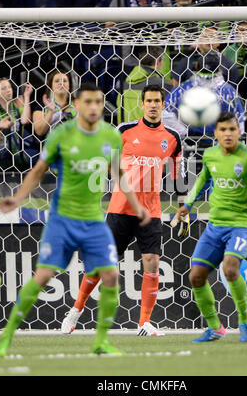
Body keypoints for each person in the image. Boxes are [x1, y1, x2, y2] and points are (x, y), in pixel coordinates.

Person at [0, 82, 150, 357]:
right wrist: (17, 199)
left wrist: (136, 206)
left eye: (99, 102)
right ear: (76, 104)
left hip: (93, 222)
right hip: (62, 220)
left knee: (111, 275)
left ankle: (101, 342)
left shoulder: (111, 137)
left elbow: (118, 174)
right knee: (43, 276)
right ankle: (6, 337)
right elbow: (38, 171)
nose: (93, 107)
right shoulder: (62, 135)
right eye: (88, 102)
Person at [61, 84, 187, 337]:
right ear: (142, 104)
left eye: (157, 101)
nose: (153, 105)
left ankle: (144, 322)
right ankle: (75, 310)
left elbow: (177, 175)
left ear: (164, 105)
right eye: (148, 100)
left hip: (150, 211)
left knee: (152, 263)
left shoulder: (172, 137)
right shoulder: (125, 131)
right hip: (120, 208)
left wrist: (183, 206)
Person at [174, 112, 247, 343]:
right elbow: (203, 179)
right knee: (196, 276)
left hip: (242, 224)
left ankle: (245, 321)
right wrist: (188, 205)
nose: (227, 134)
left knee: (230, 268)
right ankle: (215, 328)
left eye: (232, 130)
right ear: (215, 133)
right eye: (223, 130)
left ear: (239, 132)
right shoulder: (210, 155)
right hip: (215, 225)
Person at [171, 25, 241, 89]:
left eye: (213, 36)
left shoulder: (229, 65)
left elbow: (235, 89)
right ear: (198, 40)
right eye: (205, 36)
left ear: (219, 41)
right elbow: (175, 84)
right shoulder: (186, 62)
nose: (209, 39)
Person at [117, 46, 173, 124]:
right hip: (152, 133)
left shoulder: (125, 84)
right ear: (157, 61)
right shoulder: (163, 85)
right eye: (163, 59)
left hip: (125, 132)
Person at [0, 78, 33, 170]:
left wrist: (26, 97)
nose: (8, 90)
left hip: (18, 153)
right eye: (3, 88)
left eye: (9, 87)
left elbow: (25, 120)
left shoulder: (16, 106)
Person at [32, 70, 76, 138]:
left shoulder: (77, 104)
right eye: (57, 81)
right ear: (51, 86)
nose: (61, 83)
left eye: (64, 81)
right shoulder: (42, 106)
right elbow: (39, 131)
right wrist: (51, 111)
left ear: (69, 86)